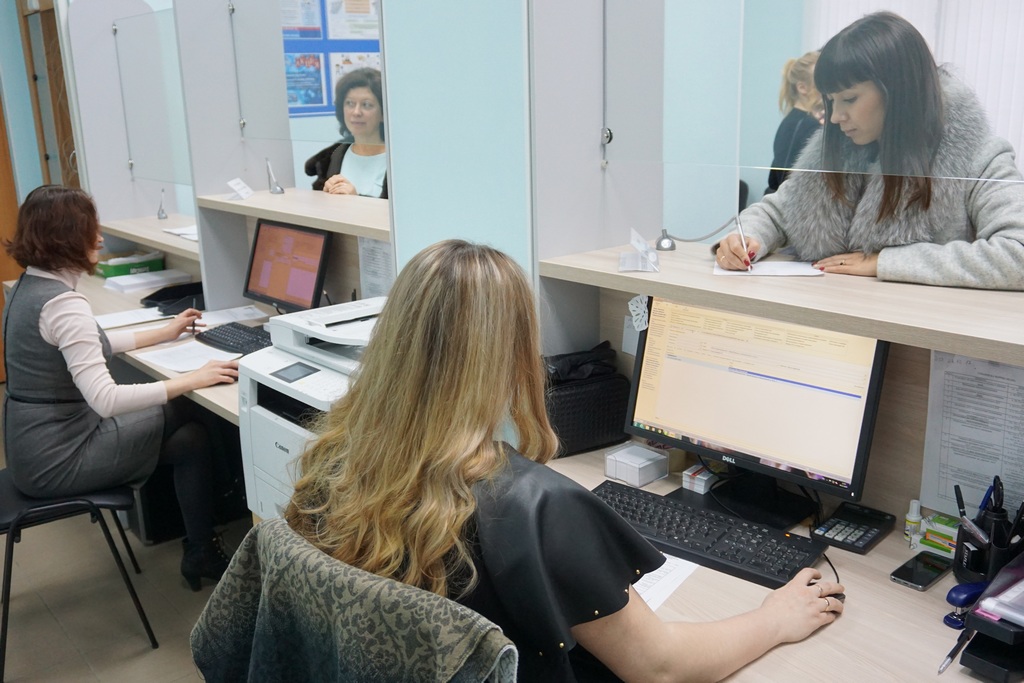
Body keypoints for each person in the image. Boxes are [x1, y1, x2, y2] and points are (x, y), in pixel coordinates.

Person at [286, 239, 845, 682]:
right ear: (511, 358)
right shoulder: (533, 504)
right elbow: (660, 667)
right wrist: (774, 619)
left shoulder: (336, 455)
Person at [2, 185, 240, 591]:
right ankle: (230, 505)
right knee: (190, 408)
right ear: (66, 238)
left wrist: (165, 332)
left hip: (33, 450)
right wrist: (192, 379)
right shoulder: (62, 304)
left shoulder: (31, 286)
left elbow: (90, 345)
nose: (99, 239)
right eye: (90, 230)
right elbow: (107, 400)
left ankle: (201, 549)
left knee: (191, 439)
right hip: (58, 459)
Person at [717, 12, 1024, 291]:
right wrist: (747, 237)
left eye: (850, 99)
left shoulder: (978, 156)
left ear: (899, 92)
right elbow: (778, 210)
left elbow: (1017, 254)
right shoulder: (838, 150)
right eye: (831, 101)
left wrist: (887, 262)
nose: (836, 117)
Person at [321, 67, 388, 198]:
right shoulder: (338, 154)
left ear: (383, 113)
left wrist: (356, 199)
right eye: (350, 103)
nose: (356, 112)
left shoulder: (397, 160)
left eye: (366, 105)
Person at [766, 51, 823, 194]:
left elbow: (774, 180)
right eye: (821, 80)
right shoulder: (809, 126)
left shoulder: (790, 121)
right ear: (802, 88)